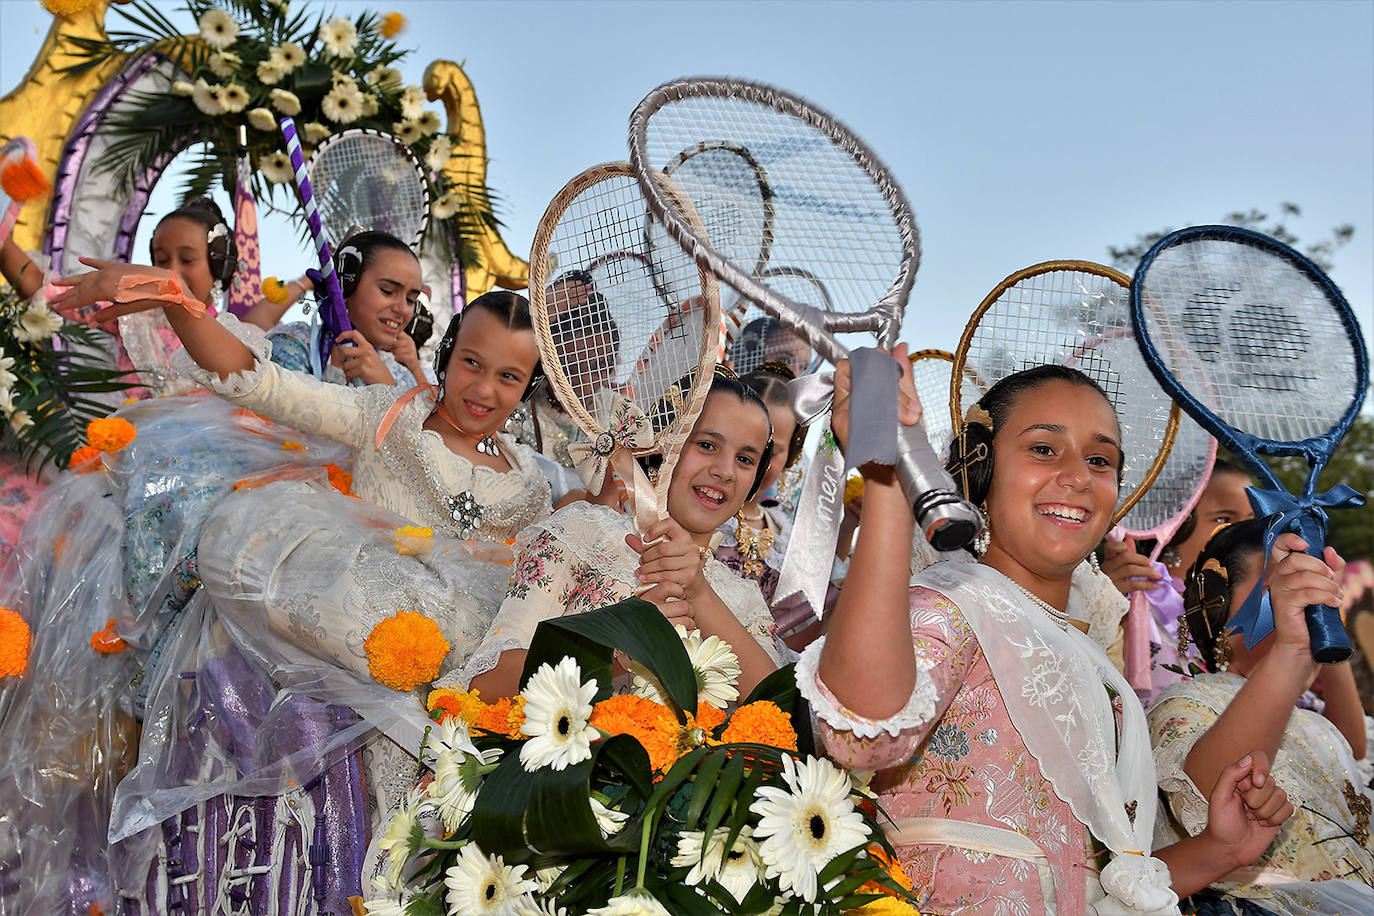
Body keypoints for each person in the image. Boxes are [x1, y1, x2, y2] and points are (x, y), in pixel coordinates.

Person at [804, 357, 1291, 915]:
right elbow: (860, 737)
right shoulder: (948, 607)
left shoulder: (1093, 665)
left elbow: (1101, 885)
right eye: (1042, 448)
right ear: (980, 474)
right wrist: (890, 477)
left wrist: (1219, 849)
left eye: (1100, 460)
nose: (1078, 475)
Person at [460, 368, 783, 701]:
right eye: (706, 444)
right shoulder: (582, 534)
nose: (725, 471)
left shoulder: (743, 601)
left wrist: (699, 593)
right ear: (661, 443)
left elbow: (777, 715)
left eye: (745, 459)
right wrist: (621, 647)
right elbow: (487, 682)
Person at [1150, 519, 1373, 915]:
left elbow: (1352, 744)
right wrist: (1296, 647)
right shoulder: (1189, 697)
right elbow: (1210, 791)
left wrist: (1325, 625)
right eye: (1277, 587)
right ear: (1218, 606)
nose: (1298, 598)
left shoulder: (1308, 714)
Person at [1103, 459, 1258, 705]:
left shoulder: (1253, 610)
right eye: (1222, 519)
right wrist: (1103, 605)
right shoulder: (1130, 600)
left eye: (1250, 520)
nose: (1241, 532)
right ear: (1175, 522)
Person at [712, 360, 822, 651]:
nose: (757, 458)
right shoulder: (700, 508)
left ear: (792, 456)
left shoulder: (786, 535)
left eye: (772, 449)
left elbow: (785, 638)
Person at [239, 230, 432, 389]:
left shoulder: (402, 378)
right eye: (387, 291)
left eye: (410, 299)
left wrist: (387, 388)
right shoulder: (291, 345)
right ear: (346, 286)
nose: (402, 309)